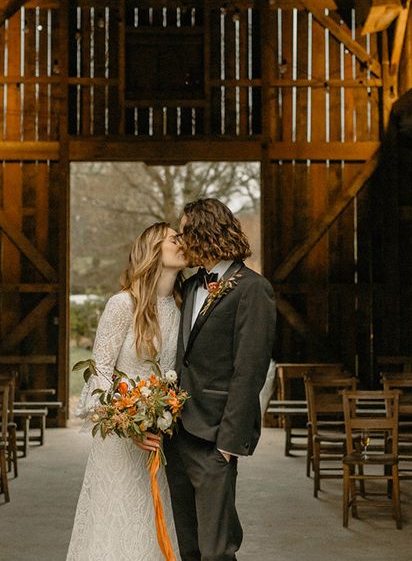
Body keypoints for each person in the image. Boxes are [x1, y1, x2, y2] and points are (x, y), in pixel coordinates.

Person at [67, 222, 187, 561]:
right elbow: (101, 369)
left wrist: (163, 416)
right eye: (174, 239)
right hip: (121, 437)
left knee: (153, 521)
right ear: (153, 249)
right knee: (116, 524)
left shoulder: (182, 306)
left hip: (161, 436)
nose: (183, 243)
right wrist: (127, 424)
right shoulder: (123, 304)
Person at [165, 198, 276, 561]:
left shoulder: (252, 288)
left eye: (184, 233)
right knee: (190, 544)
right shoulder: (191, 284)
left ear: (204, 232)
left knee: (217, 548)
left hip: (215, 436)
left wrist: (229, 444)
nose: (180, 241)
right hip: (177, 432)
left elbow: (250, 370)